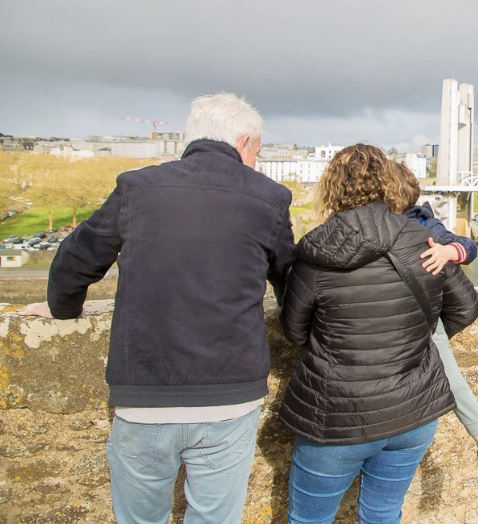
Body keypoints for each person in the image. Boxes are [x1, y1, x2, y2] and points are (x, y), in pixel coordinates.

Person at [25, 93, 296, 523]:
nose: (257, 163)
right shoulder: (269, 197)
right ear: (244, 142)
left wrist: (62, 311)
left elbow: (75, 261)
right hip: (230, 394)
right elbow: (290, 282)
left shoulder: (137, 187)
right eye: (257, 152)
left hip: (145, 393)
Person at [279, 144, 478, 524]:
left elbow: (293, 330)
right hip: (413, 410)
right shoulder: (422, 241)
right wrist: (416, 339)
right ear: (388, 184)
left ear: (332, 187)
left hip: (336, 416)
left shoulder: (316, 252)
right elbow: (466, 308)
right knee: (383, 514)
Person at [386, 162, 478, 491]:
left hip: (423, 321)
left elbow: (469, 248)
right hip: (402, 316)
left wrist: (447, 250)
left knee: (454, 383)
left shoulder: (425, 222)